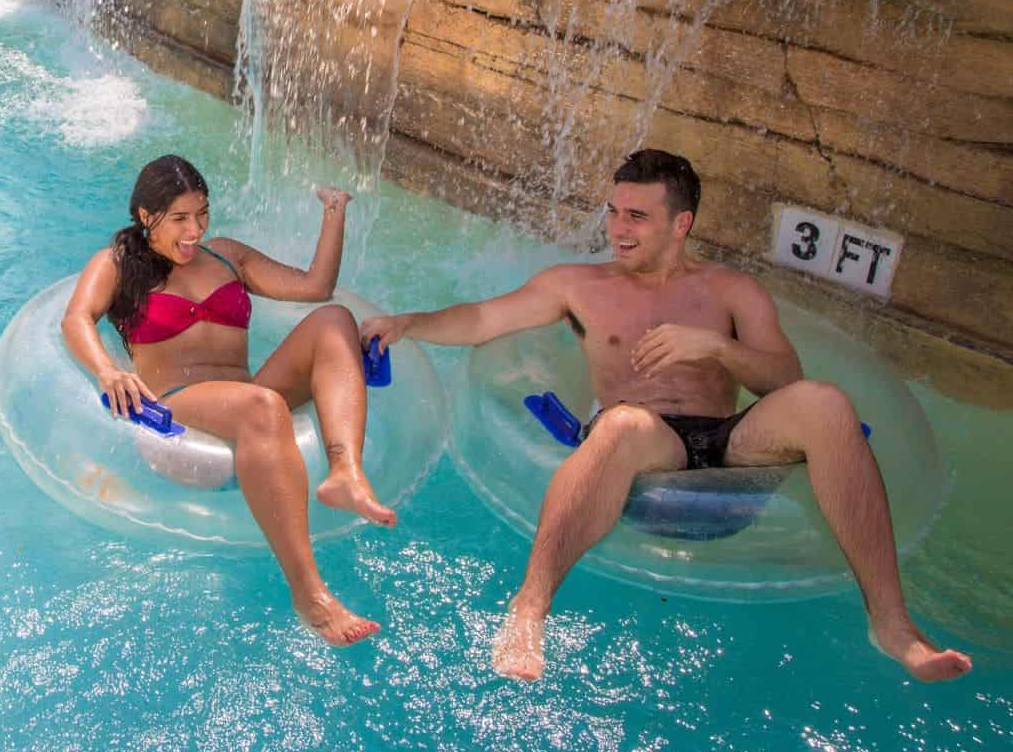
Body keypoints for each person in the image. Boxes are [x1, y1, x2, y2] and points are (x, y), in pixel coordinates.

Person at [361, 148, 972, 683]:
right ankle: (529, 609)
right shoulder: (578, 285)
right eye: (614, 211)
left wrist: (716, 348)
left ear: (682, 223)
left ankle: (892, 625)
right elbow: (482, 319)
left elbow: (786, 378)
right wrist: (411, 322)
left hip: (730, 443)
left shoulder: (732, 291)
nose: (618, 229)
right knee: (623, 423)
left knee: (828, 404)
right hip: (645, 437)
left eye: (637, 216)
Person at [62, 154, 393, 646]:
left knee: (335, 321)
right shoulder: (117, 264)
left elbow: (314, 287)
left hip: (242, 395)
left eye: (202, 213)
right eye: (179, 219)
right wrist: (109, 371)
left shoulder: (226, 257)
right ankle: (310, 594)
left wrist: (334, 209)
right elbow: (76, 319)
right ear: (145, 216)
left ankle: (346, 471)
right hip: (180, 404)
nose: (195, 229)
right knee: (261, 406)